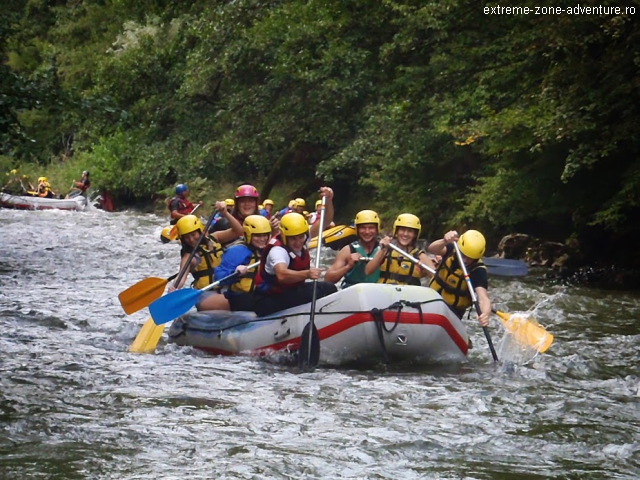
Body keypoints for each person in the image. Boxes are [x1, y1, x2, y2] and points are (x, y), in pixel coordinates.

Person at [253, 187, 336, 316]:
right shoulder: (277, 250)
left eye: (300, 237)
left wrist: (329, 200)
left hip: (290, 291)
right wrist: (307, 274)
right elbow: (282, 275)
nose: (298, 242)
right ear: (285, 236)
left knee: (329, 288)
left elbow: (326, 221)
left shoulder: (303, 236)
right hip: (268, 300)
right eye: (293, 239)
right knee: (317, 292)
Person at [199, 215, 272, 312]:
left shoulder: (269, 250)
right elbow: (219, 277)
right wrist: (235, 272)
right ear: (248, 234)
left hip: (260, 294)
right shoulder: (236, 251)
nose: (262, 239)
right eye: (258, 235)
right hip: (239, 297)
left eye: (265, 235)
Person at [170, 202, 244, 291]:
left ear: (200, 231)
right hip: (207, 292)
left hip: (226, 285)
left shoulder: (214, 238)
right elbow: (182, 276)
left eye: (193, 234)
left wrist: (225, 213)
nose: (191, 239)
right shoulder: (188, 257)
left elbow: (239, 231)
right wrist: (174, 287)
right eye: (187, 237)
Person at [427, 230, 491, 327]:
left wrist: (485, 314)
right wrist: (444, 241)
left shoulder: (478, 271)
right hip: (430, 301)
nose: (465, 259)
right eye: (463, 255)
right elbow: (432, 249)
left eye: (470, 257)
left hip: (452, 313)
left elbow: (483, 298)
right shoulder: (452, 249)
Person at [364, 213, 436, 286]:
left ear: (415, 235)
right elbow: (368, 271)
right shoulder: (386, 250)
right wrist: (382, 250)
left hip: (409, 295)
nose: (405, 234)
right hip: (385, 293)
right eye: (402, 230)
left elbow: (436, 277)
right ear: (396, 232)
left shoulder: (420, 256)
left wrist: (439, 265)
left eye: (410, 231)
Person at [324, 210, 382, 288]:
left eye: (371, 228)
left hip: (376, 291)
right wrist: (348, 266)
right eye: (363, 228)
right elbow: (328, 279)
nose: (367, 232)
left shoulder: (383, 250)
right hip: (352, 291)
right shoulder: (347, 250)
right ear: (357, 229)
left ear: (377, 229)